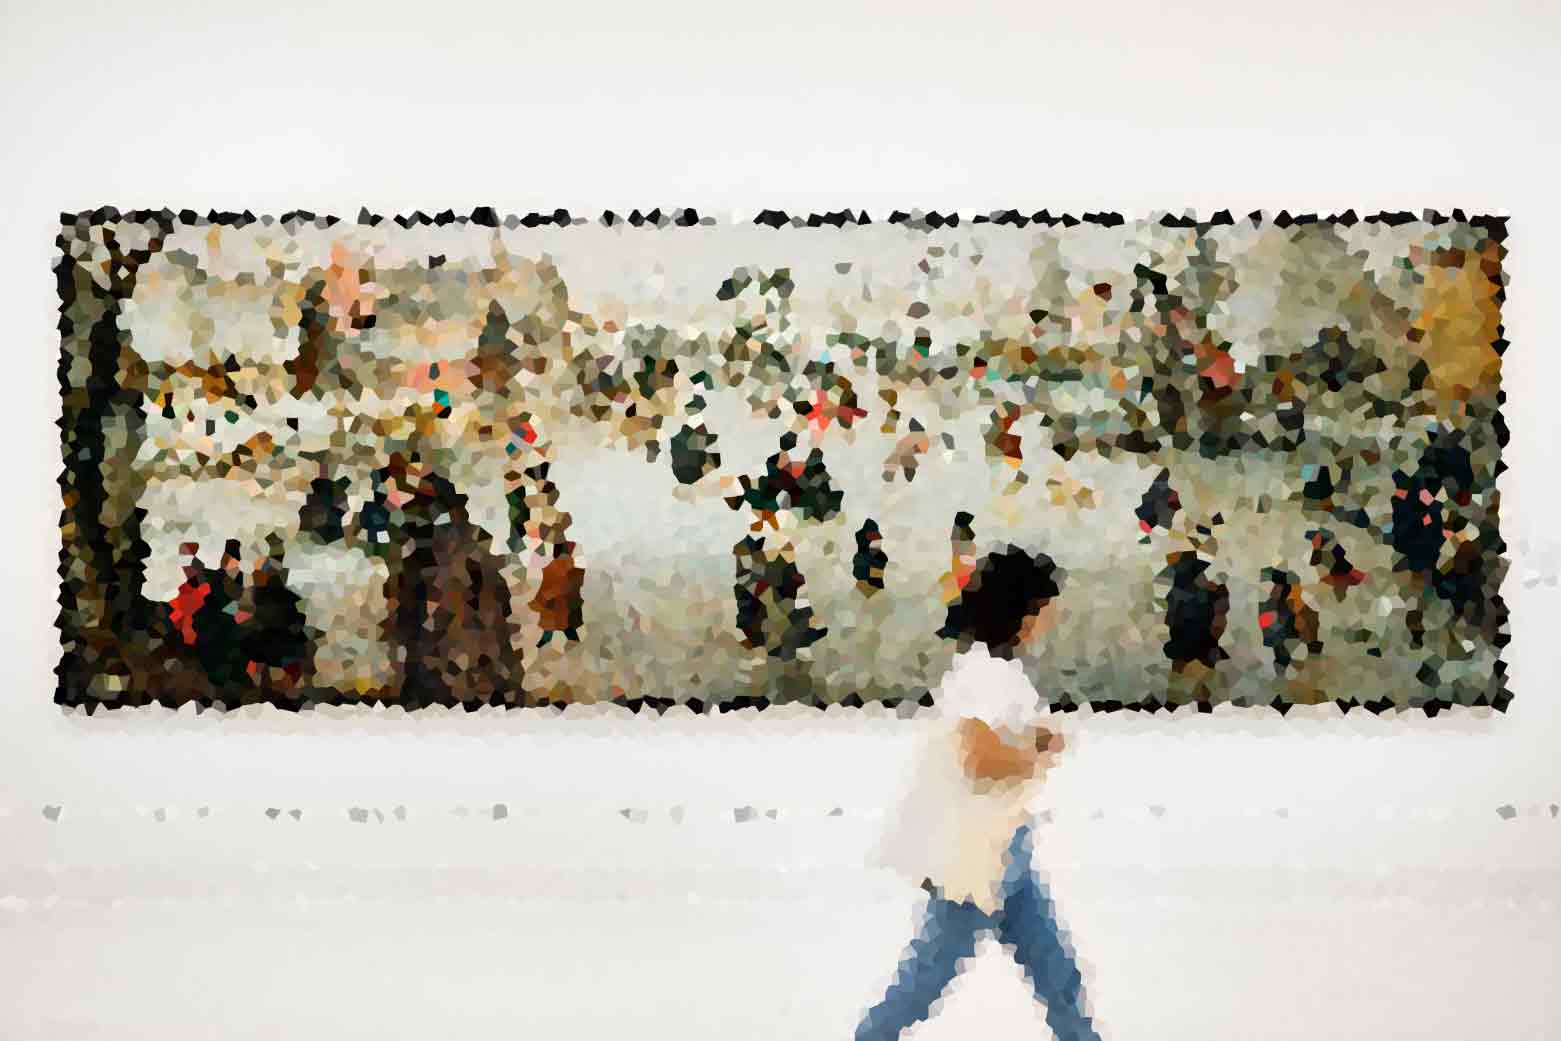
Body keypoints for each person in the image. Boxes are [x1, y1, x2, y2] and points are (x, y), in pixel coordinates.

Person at [861, 546, 1100, 1041]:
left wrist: (1033, 742)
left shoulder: (996, 670)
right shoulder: (982, 674)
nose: (1049, 620)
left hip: (1004, 844)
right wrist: (1039, 751)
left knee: (1056, 972)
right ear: (1022, 611)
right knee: (926, 978)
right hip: (972, 855)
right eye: (1044, 608)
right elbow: (980, 761)